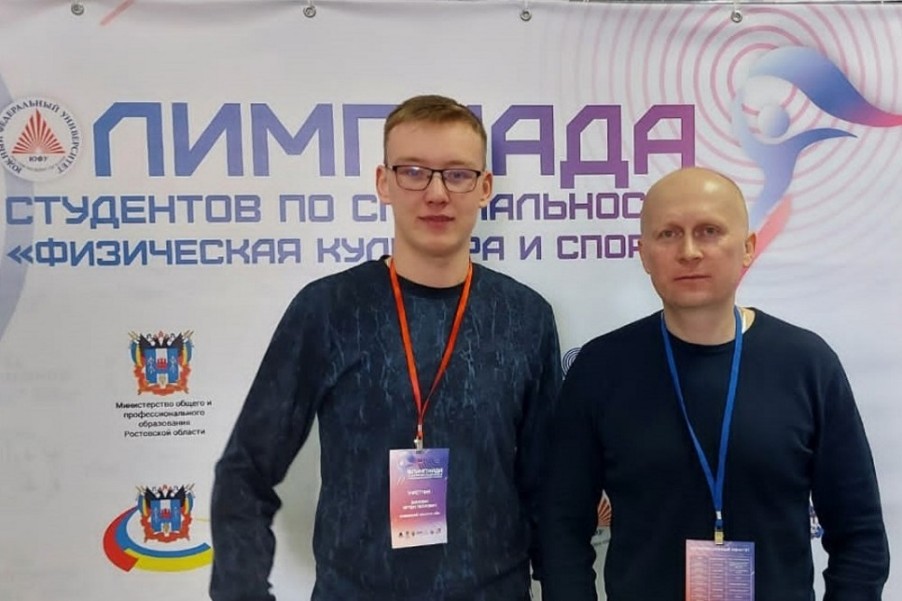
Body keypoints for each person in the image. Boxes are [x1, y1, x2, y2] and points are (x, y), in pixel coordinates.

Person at [210, 94, 562, 601]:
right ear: (384, 183)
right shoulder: (329, 309)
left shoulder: (525, 317)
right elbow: (245, 471)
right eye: (414, 172)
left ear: (484, 187)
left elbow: (547, 486)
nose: (437, 193)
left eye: (457, 174)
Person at [540, 167, 889, 600]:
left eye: (709, 231)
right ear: (644, 254)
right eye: (668, 234)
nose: (689, 251)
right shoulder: (601, 368)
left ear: (748, 248)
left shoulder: (807, 365)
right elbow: (561, 528)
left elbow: (860, 535)